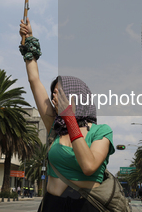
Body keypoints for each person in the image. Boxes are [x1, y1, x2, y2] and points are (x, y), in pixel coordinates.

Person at [20, 20, 115, 212]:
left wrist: (69, 118)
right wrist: (29, 41)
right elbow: (34, 80)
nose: (54, 97)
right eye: (53, 93)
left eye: (59, 92)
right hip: (53, 205)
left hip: (87, 207)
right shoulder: (55, 126)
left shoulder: (101, 132)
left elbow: (88, 166)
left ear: (77, 96)